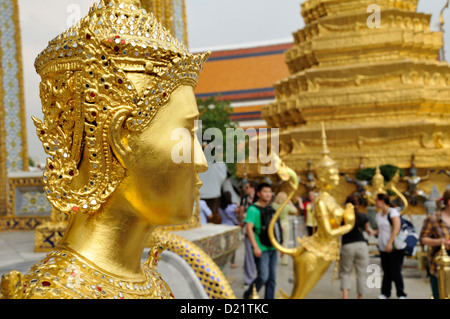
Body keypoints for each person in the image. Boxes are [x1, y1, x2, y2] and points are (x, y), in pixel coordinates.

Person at [0, 0, 210, 299]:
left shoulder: (153, 282)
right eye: (187, 132)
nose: (201, 161)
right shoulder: (55, 294)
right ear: (121, 138)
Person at [243, 182, 278, 299]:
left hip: (273, 247)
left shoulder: (270, 208)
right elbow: (249, 228)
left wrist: (280, 245)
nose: (268, 194)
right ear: (258, 193)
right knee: (263, 276)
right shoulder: (253, 209)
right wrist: (255, 246)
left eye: (270, 192)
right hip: (261, 248)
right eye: (265, 191)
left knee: (272, 279)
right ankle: (248, 294)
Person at [372, 193, 407, 299]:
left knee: (395, 270)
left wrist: (390, 243)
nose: (375, 203)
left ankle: (401, 293)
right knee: (386, 270)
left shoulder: (393, 212)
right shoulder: (378, 215)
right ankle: (385, 292)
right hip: (383, 246)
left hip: (394, 247)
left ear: (382, 201)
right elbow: (382, 229)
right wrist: (373, 232)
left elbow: (396, 228)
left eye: (377, 200)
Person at [339, 194, 373, 299]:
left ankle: (345, 296)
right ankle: (360, 296)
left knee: (345, 272)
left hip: (347, 246)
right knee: (361, 273)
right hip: (361, 245)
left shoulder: (343, 217)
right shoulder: (363, 216)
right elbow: (368, 231)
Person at [419, 189, 450, 299]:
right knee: (440, 295)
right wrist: (441, 241)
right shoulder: (434, 218)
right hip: (439, 264)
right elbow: (423, 239)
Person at [240, 181, 258, 286]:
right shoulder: (244, 199)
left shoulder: (259, 199)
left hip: (258, 230)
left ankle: (259, 276)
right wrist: (241, 218)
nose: (246, 189)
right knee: (248, 254)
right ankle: (249, 278)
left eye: (247, 187)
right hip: (248, 228)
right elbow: (241, 211)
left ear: (253, 188)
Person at [272, 191, 298, 265]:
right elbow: (295, 210)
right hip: (285, 224)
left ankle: (274, 259)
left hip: (276, 224)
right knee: (285, 242)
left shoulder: (274, 205)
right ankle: (284, 260)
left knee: (276, 242)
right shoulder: (286, 206)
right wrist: (290, 203)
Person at [219, 191, 240, 268]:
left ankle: (223, 261)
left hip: (223, 227)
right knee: (232, 245)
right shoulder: (233, 206)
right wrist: (238, 205)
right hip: (232, 227)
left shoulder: (220, 207)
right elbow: (239, 212)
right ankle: (232, 262)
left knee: (225, 245)